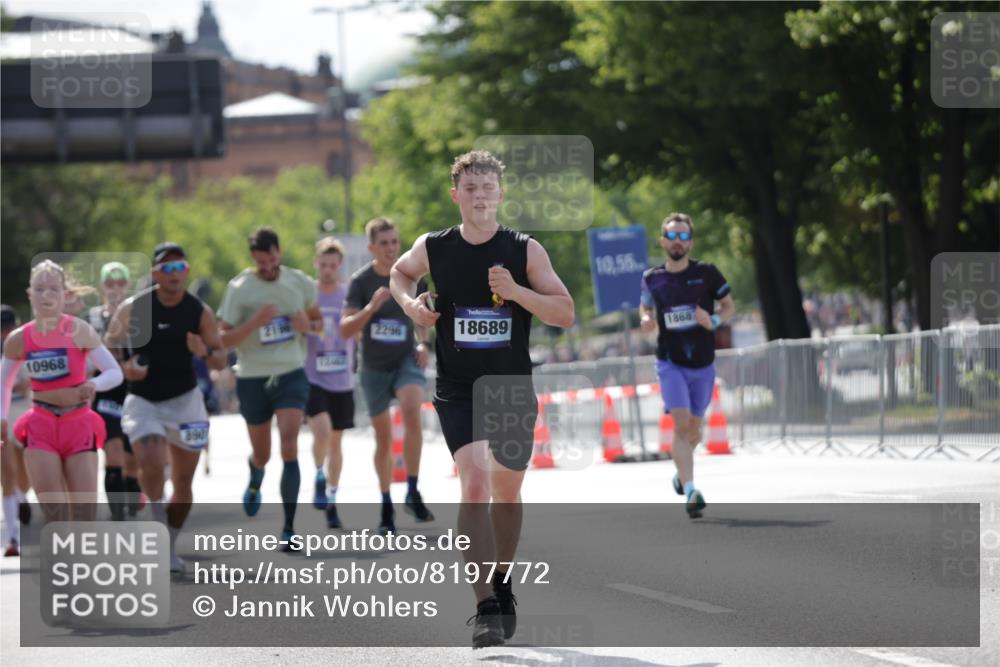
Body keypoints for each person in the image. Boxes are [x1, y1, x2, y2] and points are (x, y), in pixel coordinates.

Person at [390, 150, 574, 648]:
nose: (479, 196)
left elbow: (564, 313)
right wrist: (412, 306)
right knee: (473, 482)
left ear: (501, 193)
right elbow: (399, 274)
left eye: (487, 188)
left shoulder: (524, 250)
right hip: (457, 387)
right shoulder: (434, 246)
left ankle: (502, 580)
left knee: (506, 492)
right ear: (456, 194)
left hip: (511, 384)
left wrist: (516, 291)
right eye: (470, 188)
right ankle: (485, 606)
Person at [106, 244, 227, 572]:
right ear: (156, 273)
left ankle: (169, 544)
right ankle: (154, 530)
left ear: (187, 271)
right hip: (144, 400)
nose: (175, 275)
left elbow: (220, 358)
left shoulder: (199, 311)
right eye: (167, 269)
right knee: (154, 464)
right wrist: (125, 368)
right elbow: (110, 345)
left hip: (186, 401)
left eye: (180, 268)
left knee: (185, 482)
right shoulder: (135, 308)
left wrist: (203, 351)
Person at [218, 227, 321, 550]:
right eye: (261, 261)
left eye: (272, 258)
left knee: (289, 443)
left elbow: (319, 324)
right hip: (252, 377)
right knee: (263, 453)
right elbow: (223, 339)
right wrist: (254, 323)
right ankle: (255, 472)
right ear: (253, 259)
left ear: (279, 251)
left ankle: (289, 528)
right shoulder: (239, 288)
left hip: (290, 372)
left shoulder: (299, 282)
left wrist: (308, 326)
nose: (268, 266)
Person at [1, 261, 123, 523]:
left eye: (53, 289)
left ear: (64, 295)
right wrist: (2, 418)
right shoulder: (19, 339)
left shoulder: (79, 330)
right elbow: (4, 383)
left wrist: (94, 385)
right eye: (40, 289)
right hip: (40, 426)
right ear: (29, 294)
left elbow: (114, 373)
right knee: (55, 514)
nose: (46, 295)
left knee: (84, 515)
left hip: (78, 424)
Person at [638, 212, 735, 518]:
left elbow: (729, 306)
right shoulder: (652, 277)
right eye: (672, 236)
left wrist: (715, 319)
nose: (677, 242)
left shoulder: (706, 273)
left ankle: (681, 474)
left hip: (703, 363)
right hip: (670, 361)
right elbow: (645, 305)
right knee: (681, 425)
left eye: (683, 237)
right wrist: (645, 318)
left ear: (690, 242)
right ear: (663, 240)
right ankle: (691, 489)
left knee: (694, 430)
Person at [342, 217, 433, 535]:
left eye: (395, 241)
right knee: (383, 439)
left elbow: (424, 317)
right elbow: (345, 328)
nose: (391, 248)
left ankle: (412, 489)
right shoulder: (361, 281)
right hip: (373, 368)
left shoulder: (412, 276)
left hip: (405, 360)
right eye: (384, 243)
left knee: (412, 410)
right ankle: (385, 503)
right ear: (371, 248)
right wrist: (370, 307)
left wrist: (423, 343)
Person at [304, 238, 355, 529]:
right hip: (313, 376)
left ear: (339, 267)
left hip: (343, 378)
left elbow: (357, 327)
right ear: (316, 264)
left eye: (333, 265)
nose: (327, 270)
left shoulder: (348, 296)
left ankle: (333, 499)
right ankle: (319, 475)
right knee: (321, 432)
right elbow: (297, 325)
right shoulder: (307, 295)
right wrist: (309, 327)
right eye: (323, 264)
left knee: (336, 443)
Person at [87, 262, 142, 520]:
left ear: (127, 285)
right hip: (106, 390)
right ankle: (117, 515)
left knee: (133, 457)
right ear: (102, 286)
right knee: (113, 449)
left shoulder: (137, 315)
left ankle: (132, 491)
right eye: (110, 283)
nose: (116, 288)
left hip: (132, 390)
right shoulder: (92, 318)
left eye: (121, 283)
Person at [1, 305, 33, 556]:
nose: (5, 332)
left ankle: (23, 497)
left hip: (23, 411)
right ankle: (12, 537)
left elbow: (29, 382)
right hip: (2, 418)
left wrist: (13, 385)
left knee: (24, 470)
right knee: (7, 474)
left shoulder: (23, 345)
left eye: (8, 327)